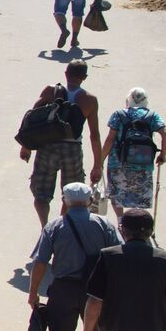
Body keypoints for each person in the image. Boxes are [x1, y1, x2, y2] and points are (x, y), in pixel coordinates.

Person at [28, 182, 122, 331]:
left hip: (63, 291)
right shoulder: (104, 225)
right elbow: (118, 258)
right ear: (90, 201)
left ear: (65, 201)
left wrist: (33, 293)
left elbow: (41, 263)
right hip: (97, 293)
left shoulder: (54, 226)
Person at [19, 60, 103, 228]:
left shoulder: (51, 91)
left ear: (66, 74)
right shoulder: (90, 100)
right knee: (72, 192)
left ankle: (45, 226)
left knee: (41, 193)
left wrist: (26, 145)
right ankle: (62, 225)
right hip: (72, 149)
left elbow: (31, 118)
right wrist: (97, 165)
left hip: (48, 145)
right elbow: (94, 135)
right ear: (84, 77)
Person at [100, 87, 166, 217]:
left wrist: (100, 161)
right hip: (143, 163)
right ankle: (138, 222)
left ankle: (121, 221)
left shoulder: (119, 114)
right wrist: (163, 154)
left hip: (118, 163)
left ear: (128, 100)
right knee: (140, 196)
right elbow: (165, 134)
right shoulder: (152, 116)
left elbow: (110, 139)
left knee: (117, 194)